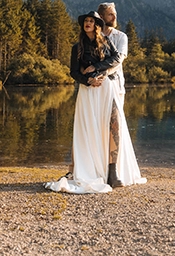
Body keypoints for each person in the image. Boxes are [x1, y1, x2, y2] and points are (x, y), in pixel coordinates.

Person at [45, 11, 145, 194]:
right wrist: (88, 80)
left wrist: (96, 67)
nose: (88, 23)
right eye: (86, 21)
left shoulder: (106, 42)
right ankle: (92, 169)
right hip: (88, 91)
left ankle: (112, 172)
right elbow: (73, 72)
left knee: (113, 125)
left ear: (97, 25)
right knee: (90, 128)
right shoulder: (77, 48)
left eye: (91, 21)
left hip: (107, 88)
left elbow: (116, 59)